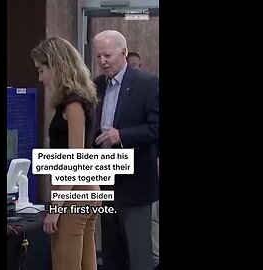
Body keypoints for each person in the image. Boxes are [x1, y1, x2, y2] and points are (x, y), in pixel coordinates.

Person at [31, 37, 101, 270]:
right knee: (85, 263)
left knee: (65, 264)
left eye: (42, 70)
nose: (40, 78)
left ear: (56, 65)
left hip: (74, 194)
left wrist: (56, 208)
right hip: (86, 191)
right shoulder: (81, 98)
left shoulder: (73, 103)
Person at [92, 30, 159, 270]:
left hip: (136, 183)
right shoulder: (95, 86)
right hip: (105, 182)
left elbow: (156, 128)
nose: (102, 61)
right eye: (98, 56)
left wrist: (122, 136)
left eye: (107, 55)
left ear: (124, 53)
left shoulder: (147, 84)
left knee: (139, 255)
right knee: (112, 254)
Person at [126, 51, 160, 269]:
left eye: (138, 65)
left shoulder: (150, 87)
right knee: (151, 220)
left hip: (149, 164)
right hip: (138, 169)